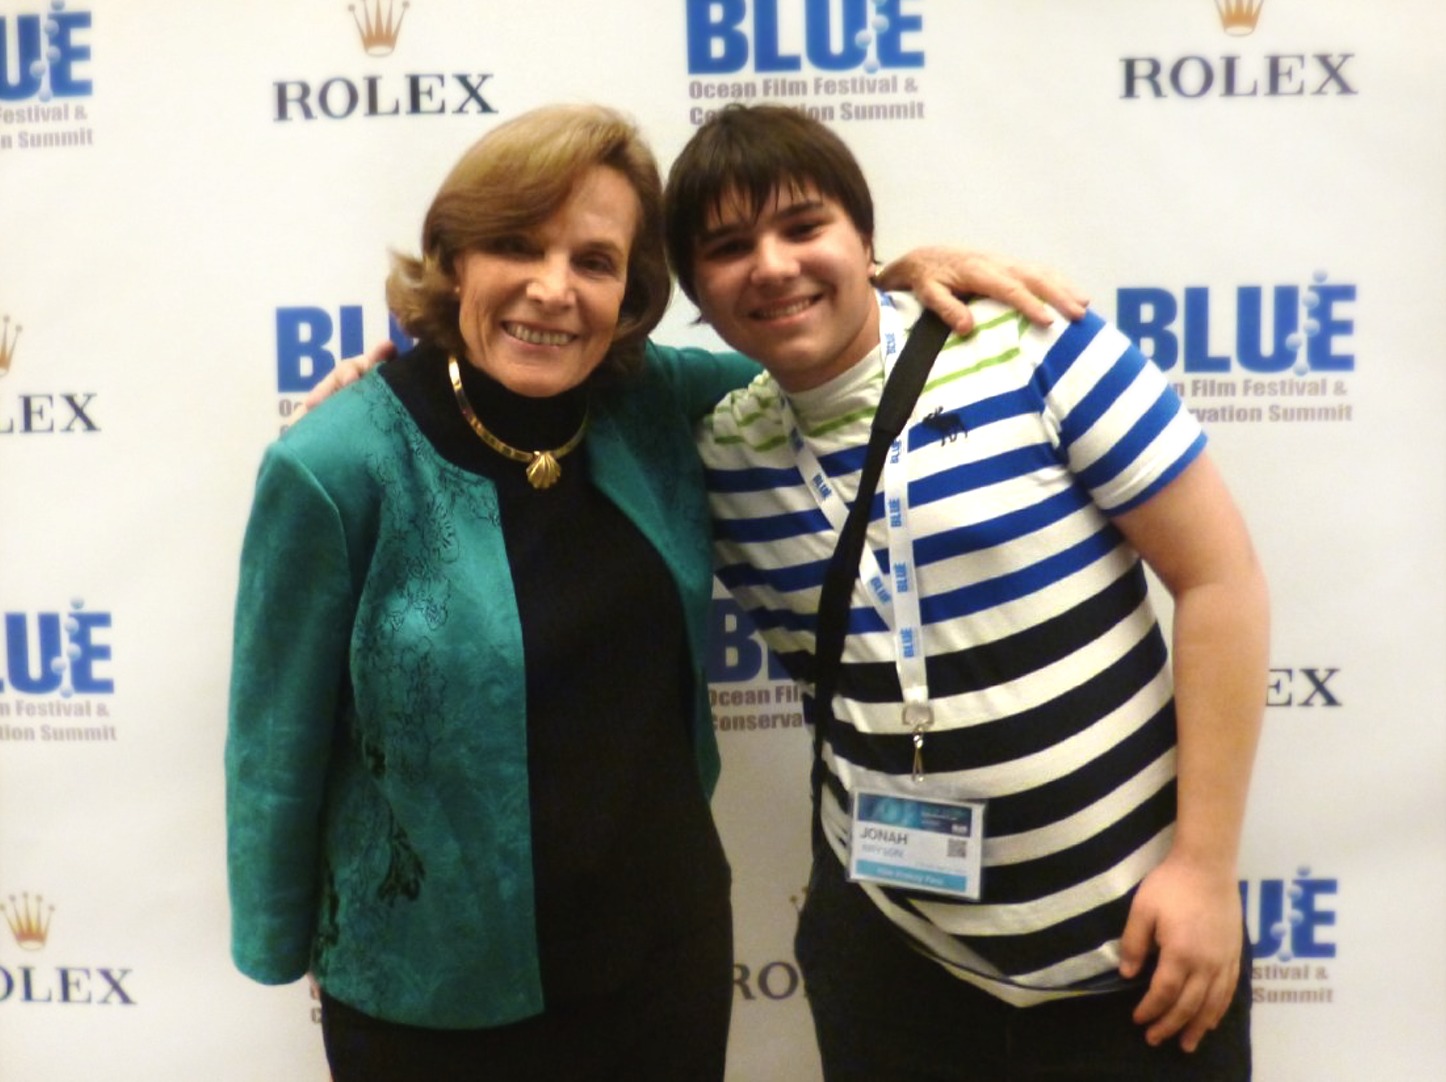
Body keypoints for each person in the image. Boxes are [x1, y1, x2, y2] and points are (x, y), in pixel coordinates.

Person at [227, 102, 1084, 1082]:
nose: (553, 290)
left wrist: (892, 274)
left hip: (659, 967)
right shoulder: (336, 463)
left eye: (594, 261)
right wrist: (280, 942)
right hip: (432, 988)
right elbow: (274, 734)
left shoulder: (655, 402)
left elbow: (818, 357)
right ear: (454, 260)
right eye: (515, 246)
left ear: (630, 293)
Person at [666, 104, 1268, 1081]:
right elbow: (546, 392)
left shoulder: (1037, 347)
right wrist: (390, 377)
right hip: (897, 966)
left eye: (803, 226)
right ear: (696, 291)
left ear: (867, 238)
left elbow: (1221, 580)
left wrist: (1204, 868)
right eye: (730, 248)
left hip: (1141, 952)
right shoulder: (721, 449)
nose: (771, 265)